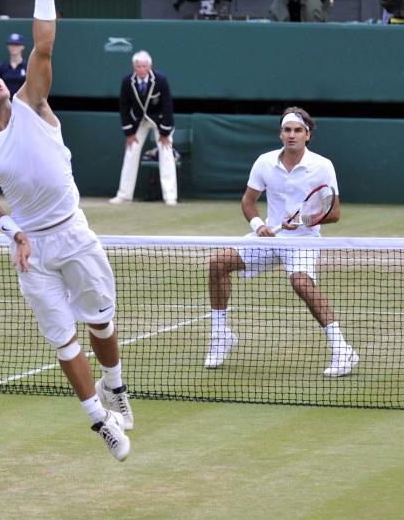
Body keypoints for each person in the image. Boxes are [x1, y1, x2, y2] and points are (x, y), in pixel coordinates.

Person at [0, 0, 133, 462]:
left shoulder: (32, 102)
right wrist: (14, 232)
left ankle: (117, 388)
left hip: (74, 234)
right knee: (63, 341)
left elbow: (43, 46)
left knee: (101, 324)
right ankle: (99, 421)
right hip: (33, 250)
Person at [205, 107, 359, 378]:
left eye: (298, 130)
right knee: (218, 263)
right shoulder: (264, 162)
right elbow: (248, 202)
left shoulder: (323, 166)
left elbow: (333, 213)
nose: (292, 135)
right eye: (287, 130)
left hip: (304, 240)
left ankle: (342, 349)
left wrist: (302, 222)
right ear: (280, 133)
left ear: (307, 135)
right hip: (270, 238)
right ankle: (221, 336)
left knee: (301, 283)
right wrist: (258, 225)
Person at [109, 50, 177, 206]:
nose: (141, 69)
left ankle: (170, 196)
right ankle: (124, 194)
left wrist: (165, 132)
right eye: (138, 66)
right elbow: (124, 106)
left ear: (150, 66)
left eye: (144, 66)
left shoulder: (160, 79)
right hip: (138, 120)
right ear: (134, 67)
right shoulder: (127, 81)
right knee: (131, 152)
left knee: (166, 152)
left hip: (159, 120)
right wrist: (129, 133)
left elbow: (167, 105)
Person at [0, 32, 27, 96]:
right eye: (11, 44)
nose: (14, 47)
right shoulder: (1, 68)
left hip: (22, 103)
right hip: (5, 103)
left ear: (22, 46)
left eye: (17, 44)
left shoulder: (27, 67)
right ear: (8, 46)